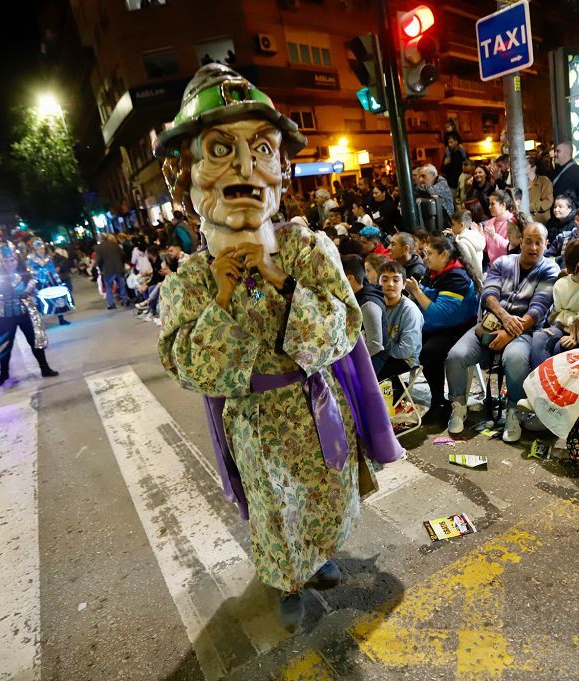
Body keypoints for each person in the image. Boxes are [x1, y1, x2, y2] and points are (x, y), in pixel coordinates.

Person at [154, 64, 400, 630]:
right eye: (220, 149)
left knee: (324, 495)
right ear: (184, 174)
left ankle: (322, 558)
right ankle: (289, 577)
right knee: (275, 506)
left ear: (280, 170)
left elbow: (345, 325)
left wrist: (284, 285)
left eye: (261, 148)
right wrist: (219, 300)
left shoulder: (306, 249)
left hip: (316, 406)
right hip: (257, 422)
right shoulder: (189, 279)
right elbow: (188, 367)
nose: (245, 167)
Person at [445, 222, 560, 442]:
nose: (533, 247)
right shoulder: (502, 262)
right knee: (456, 356)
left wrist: (510, 333)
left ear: (546, 244)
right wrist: (505, 318)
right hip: (490, 324)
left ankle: (514, 412)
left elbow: (538, 308)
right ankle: (458, 406)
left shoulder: (549, 269)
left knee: (515, 358)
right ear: (520, 241)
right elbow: (488, 294)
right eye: (528, 241)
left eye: (539, 242)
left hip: (525, 332)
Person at [404, 236, 479, 425]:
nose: (425, 258)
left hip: (458, 328)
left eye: (429, 254)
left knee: (430, 351)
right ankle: (399, 390)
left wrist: (417, 292)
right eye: (425, 253)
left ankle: (440, 401)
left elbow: (439, 315)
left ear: (444, 255)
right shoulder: (434, 271)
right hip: (437, 326)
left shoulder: (456, 276)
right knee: (404, 339)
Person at [0, 244, 59, 387]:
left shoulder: (26, 274)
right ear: (2, 261)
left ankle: (44, 368)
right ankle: (3, 373)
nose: (10, 264)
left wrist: (30, 293)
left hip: (25, 312)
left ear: (17, 260)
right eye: (6, 261)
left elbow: (35, 290)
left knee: (35, 341)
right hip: (4, 315)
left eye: (12, 260)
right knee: (4, 345)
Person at [529, 238, 579, 369]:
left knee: (561, 348)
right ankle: (541, 383)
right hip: (565, 326)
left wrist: (577, 326)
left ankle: (555, 384)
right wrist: (573, 322)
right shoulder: (562, 285)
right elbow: (559, 313)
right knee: (540, 337)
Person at [372, 261, 423, 399]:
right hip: (383, 352)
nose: (390, 284)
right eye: (385, 279)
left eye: (396, 280)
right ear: (378, 282)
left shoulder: (410, 311)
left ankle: (394, 391)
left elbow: (405, 351)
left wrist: (380, 345)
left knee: (368, 373)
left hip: (405, 359)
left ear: (404, 285)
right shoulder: (376, 304)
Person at [342, 255, 385, 358]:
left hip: (373, 358)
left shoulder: (368, 305)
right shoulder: (354, 295)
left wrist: (349, 358)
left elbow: (375, 346)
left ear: (350, 278)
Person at [26, 238, 71, 326]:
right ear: (35, 250)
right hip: (38, 282)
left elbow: (53, 270)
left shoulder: (48, 259)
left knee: (56, 298)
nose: (41, 251)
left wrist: (58, 281)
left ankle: (61, 319)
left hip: (50, 281)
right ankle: (39, 321)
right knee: (38, 300)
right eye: (38, 249)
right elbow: (30, 271)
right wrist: (39, 274)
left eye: (42, 249)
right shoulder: (31, 259)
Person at [447, 210, 485, 284]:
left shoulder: (462, 243)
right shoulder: (475, 235)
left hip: (470, 280)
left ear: (462, 225)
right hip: (479, 275)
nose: (451, 227)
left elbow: (466, 264)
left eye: (453, 224)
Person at [480, 189, 516, 264]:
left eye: (492, 204)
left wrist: (494, 236)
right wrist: (480, 235)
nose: (489, 207)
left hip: (509, 265)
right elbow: (485, 249)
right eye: (489, 204)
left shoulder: (513, 222)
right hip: (492, 265)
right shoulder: (489, 222)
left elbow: (510, 248)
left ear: (503, 205)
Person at [96, 234, 131, 309]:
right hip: (118, 267)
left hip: (107, 270)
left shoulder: (99, 248)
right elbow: (122, 255)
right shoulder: (114, 245)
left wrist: (101, 269)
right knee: (121, 285)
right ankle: (125, 299)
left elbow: (99, 260)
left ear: (100, 239)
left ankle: (111, 303)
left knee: (108, 286)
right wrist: (122, 264)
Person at [527, 155, 553, 224]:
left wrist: (529, 207)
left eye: (524, 165)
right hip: (525, 222)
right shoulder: (521, 183)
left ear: (533, 168)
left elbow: (547, 202)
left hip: (541, 223)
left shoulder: (544, 181)